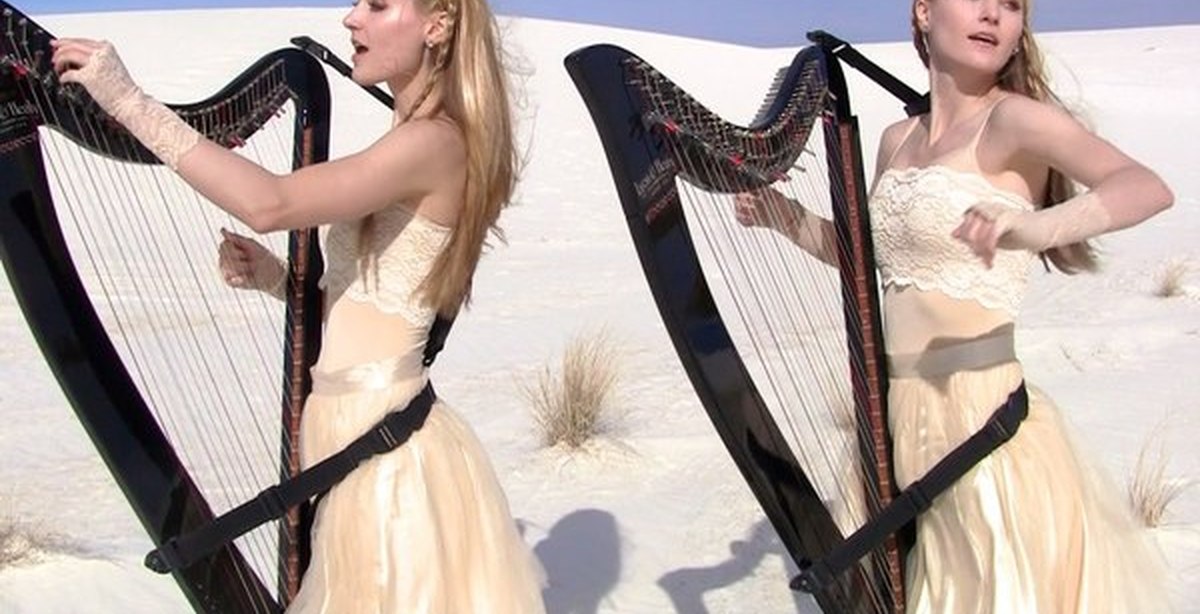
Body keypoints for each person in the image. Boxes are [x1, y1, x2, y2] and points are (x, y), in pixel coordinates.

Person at [50, 0, 546, 612]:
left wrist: (130, 104)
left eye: (378, 4)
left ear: (437, 25)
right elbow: (382, 296)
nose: (352, 18)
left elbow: (271, 204)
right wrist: (281, 281)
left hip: (388, 454)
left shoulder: (435, 142)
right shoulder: (414, 136)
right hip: (357, 433)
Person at [734, 0, 1173, 611]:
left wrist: (1035, 227)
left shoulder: (1014, 120)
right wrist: (789, 219)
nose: (993, 15)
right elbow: (874, 257)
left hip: (980, 419)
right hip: (892, 418)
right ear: (923, 12)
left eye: (1012, 6)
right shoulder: (897, 140)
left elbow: (1145, 187)